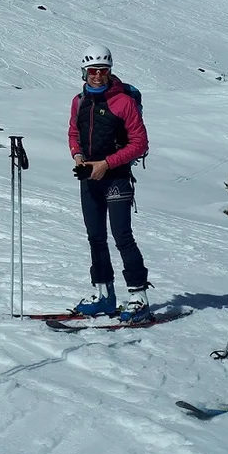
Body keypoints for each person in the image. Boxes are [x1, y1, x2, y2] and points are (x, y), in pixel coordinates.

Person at [67, 45, 151, 323]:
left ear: (110, 71)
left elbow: (140, 143)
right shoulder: (79, 101)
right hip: (89, 177)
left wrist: (107, 164)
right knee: (95, 237)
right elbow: (74, 133)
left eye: (103, 71)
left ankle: (139, 297)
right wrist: (78, 156)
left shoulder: (123, 103)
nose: (98, 76)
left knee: (122, 237)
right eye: (92, 71)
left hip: (116, 177)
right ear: (84, 72)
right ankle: (104, 295)